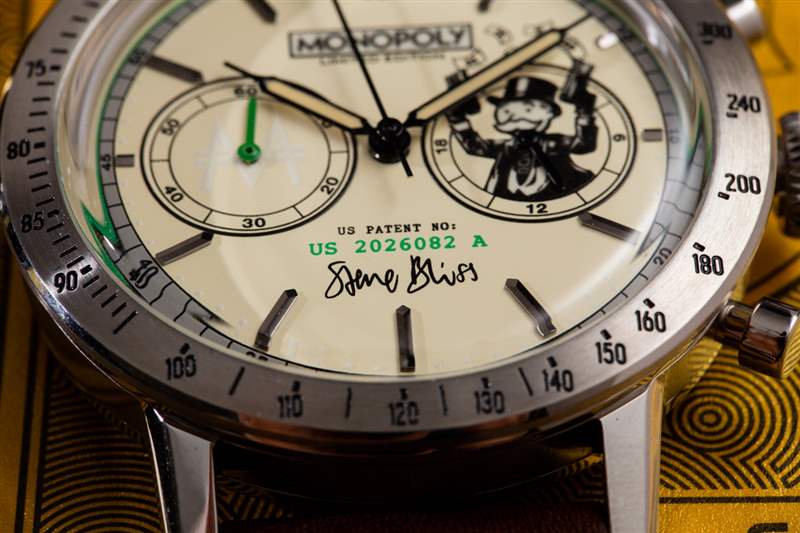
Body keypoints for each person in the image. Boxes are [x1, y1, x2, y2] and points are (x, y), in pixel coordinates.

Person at [446, 62, 598, 202]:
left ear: (548, 113)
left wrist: (585, 111)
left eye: (528, 109)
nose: (515, 117)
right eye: (507, 111)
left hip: (557, 200)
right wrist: (457, 119)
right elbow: (475, 147)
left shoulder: (555, 143)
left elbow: (584, 145)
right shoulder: (505, 147)